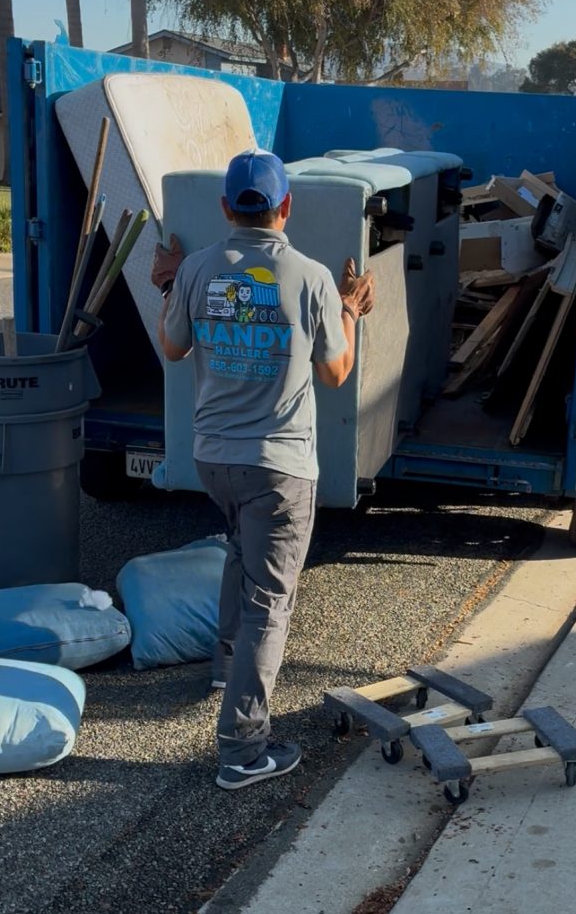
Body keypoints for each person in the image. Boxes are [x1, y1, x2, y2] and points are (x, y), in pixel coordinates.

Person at [151, 150, 375, 790]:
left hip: (213, 458)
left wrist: (171, 287)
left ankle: (226, 667)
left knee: (238, 557)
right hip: (278, 466)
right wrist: (349, 313)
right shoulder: (309, 278)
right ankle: (243, 751)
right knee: (269, 603)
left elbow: (174, 347)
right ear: (286, 207)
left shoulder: (194, 270)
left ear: (226, 208)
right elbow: (334, 373)